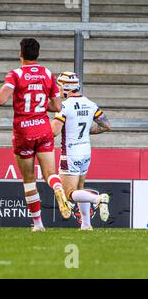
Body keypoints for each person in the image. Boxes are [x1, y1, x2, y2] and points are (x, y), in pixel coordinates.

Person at [0, 38, 71, 232]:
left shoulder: (15, 74)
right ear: (37, 54)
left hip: (24, 130)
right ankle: (57, 188)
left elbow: (1, 100)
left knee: (29, 179)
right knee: (50, 174)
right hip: (43, 128)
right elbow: (57, 106)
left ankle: (38, 224)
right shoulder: (48, 74)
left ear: (20, 54)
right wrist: (40, 105)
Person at [51, 71, 111, 230]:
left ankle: (98, 199)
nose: (58, 88)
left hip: (70, 153)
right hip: (86, 152)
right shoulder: (90, 104)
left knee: (69, 193)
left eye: (59, 85)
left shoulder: (64, 106)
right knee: (80, 188)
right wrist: (87, 131)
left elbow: (54, 131)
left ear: (66, 88)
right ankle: (86, 224)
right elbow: (106, 125)